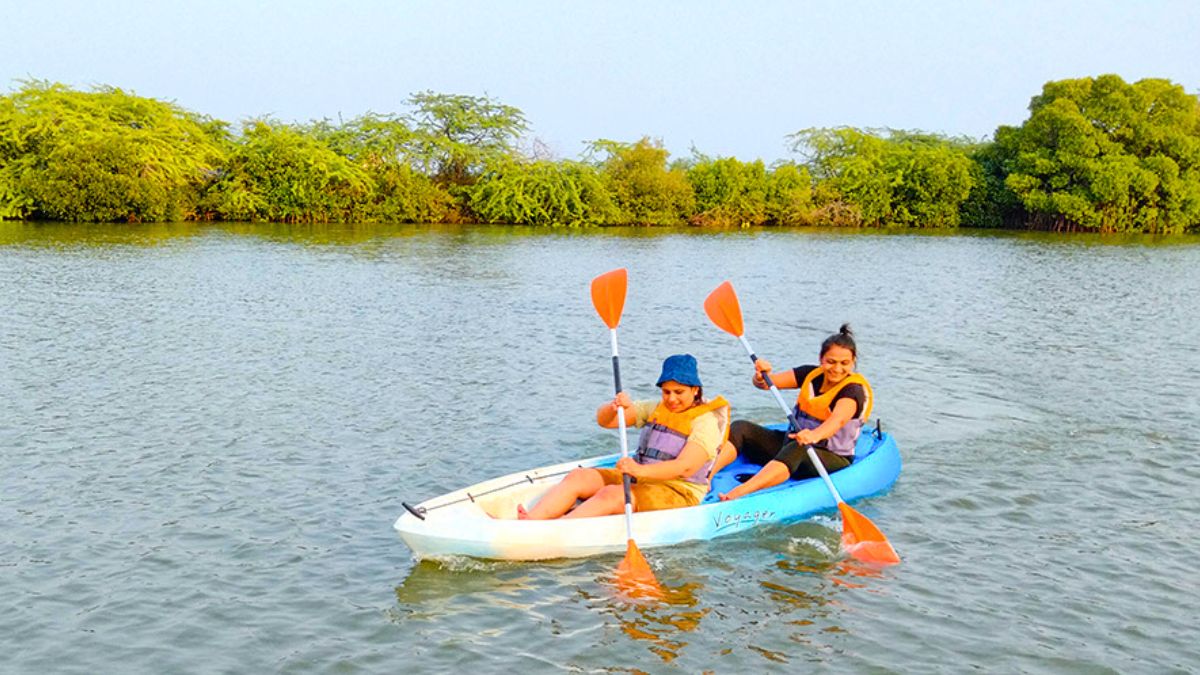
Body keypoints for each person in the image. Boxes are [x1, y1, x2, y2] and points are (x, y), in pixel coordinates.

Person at [519, 354, 730, 519]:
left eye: (678, 392)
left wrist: (639, 469)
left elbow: (686, 467)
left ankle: (555, 530)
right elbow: (606, 421)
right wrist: (614, 408)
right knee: (579, 476)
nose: (671, 399)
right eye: (666, 392)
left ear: (694, 390)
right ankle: (532, 520)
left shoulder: (705, 422)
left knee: (612, 494)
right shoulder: (656, 408)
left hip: (679, 491)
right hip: (641, 477)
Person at [714, 324, 872, 501]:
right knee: (741, 428)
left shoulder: (853, 391)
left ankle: (738, 494)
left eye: (845, 363)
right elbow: (766, 384)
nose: (837, 369)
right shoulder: (809, 374)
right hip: (793, 444)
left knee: (799, 447)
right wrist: (760, 376)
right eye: (831, 361)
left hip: (831, 458)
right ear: (821, 359)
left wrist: (814, 435)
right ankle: (706, 476)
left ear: (853, 362)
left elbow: (837, 421)